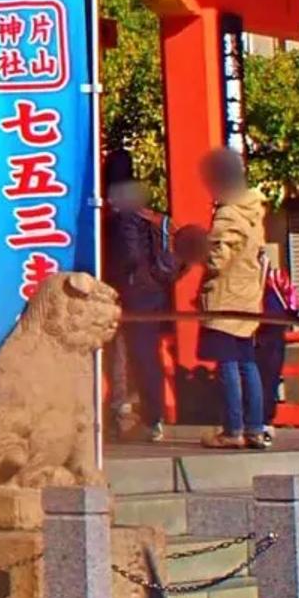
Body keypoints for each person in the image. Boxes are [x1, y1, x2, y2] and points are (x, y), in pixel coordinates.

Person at [193, 146, 275, 449]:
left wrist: (199, 250)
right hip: (248, 297)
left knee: (227, 364)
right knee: (247, 362)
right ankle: (254, 427)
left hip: (225, 297)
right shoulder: (253, 211)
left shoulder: (228, 213)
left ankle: (233, 429)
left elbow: (217, 260)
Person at [104, 177, 176, 440]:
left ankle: (123, 411)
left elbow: (130, 256)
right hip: (155, 293)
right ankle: (153, 416)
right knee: (149, 356)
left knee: (124, 353)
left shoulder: (124, 220)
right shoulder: (153, 217)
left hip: (133, 292)